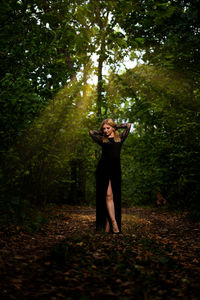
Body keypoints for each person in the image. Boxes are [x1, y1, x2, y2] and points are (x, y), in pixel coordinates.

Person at [89, 119, 131, 234]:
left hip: (115, 170)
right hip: (103, 169)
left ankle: (108, 227)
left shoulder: (120, 139)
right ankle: (114, 222)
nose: (105, 130)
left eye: (108, 128)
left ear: (113, 128)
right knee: (108, 196)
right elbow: (91, 132)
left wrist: (115, 126)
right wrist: (102, 132)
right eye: (104, 128)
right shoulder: (103, 140)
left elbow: (128, 126)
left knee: (114, 197)